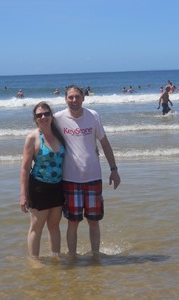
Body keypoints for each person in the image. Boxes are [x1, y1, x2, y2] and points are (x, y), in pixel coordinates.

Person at [54, 85, 121, 256]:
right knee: (73, 223)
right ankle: (72, 257)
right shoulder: (57, 119)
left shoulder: (93, 116)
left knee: (94, 222)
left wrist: (114, 169)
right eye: (71, 97)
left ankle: (95, 255)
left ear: (83, 98)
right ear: (65, 99)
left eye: (77, 96)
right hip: (70, 179)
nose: (74, 100)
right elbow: (46, 142)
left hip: (93, 178)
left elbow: (105, 144)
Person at [20, 102, 66, 257]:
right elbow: (25, 169)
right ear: (35, 119)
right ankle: (34, 261)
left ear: (51, 116)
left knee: (54, 226)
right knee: (36, 227)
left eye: (46, 113)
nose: (43, 117)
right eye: (39, 115)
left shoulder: (59, 134)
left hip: (58, 187)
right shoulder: (32, 138)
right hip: (39, 188)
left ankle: (56, 257)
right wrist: (23, 195)